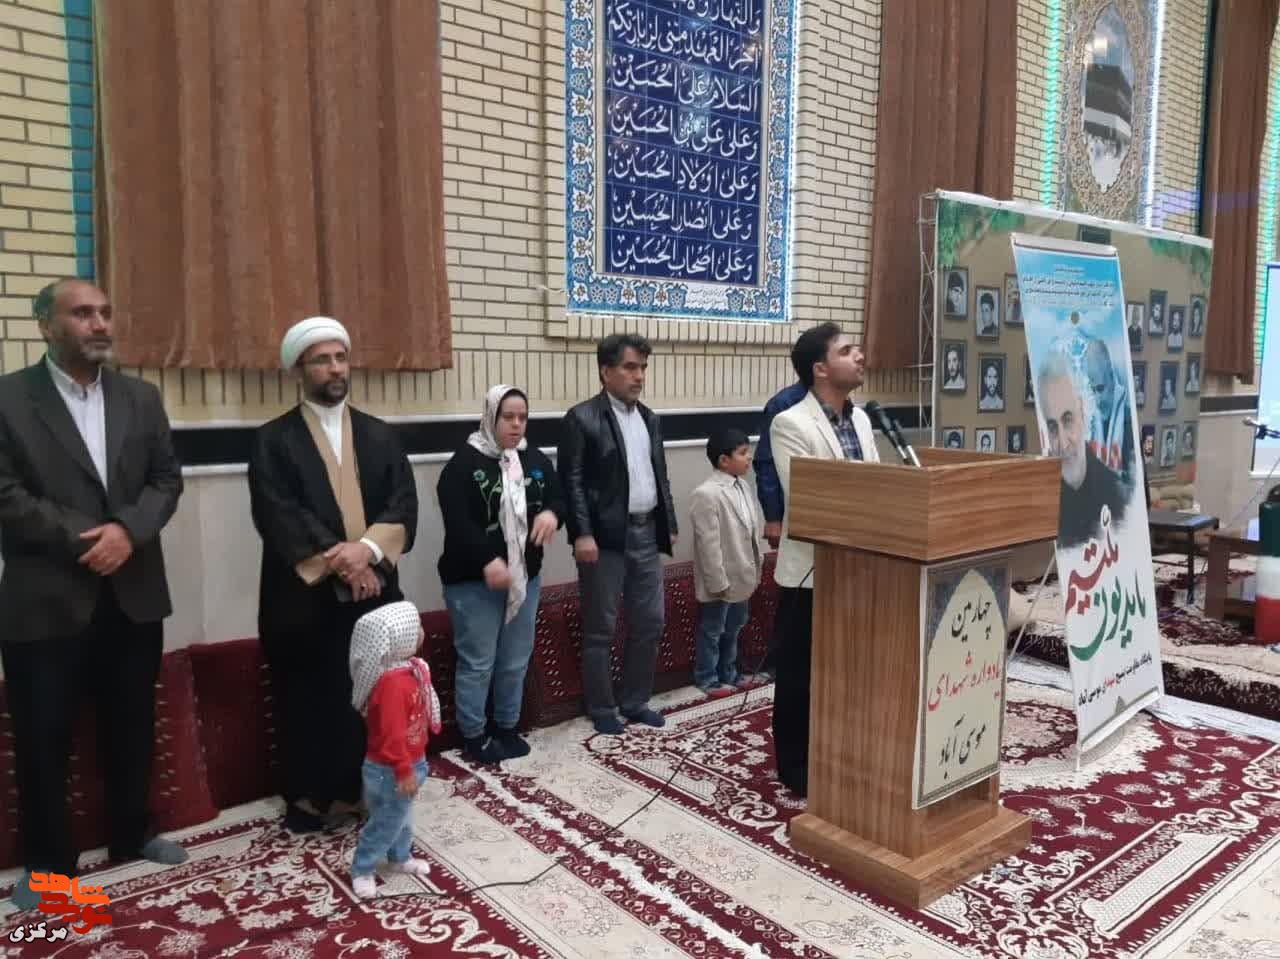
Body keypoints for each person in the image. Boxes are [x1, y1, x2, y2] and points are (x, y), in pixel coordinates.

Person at [0, 279, 187, 910]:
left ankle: (133, 833)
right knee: (43, 737)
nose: (100, 323)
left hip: (132, 593)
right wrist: (90, 539)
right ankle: (49, 866)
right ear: (46, 325)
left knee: (131, 724)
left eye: (105, 312)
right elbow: (6, 494)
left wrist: (127, 532)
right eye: (82, 314)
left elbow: (166, 481)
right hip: (47, 600)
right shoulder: (8, 399)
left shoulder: (141, 397)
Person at [248, 317, 419, 833]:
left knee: (365, 697)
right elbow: (278, 513)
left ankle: (357, 793)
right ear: (299, 369)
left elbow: (403, 502)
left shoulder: (380, 434)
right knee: (308, 697)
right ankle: (309, 799)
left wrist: (369, 551)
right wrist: (344, 562)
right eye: (322, 360)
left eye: (340, 358)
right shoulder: (273, 440)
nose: (335, 368)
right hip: (305, 599)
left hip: (373, 592)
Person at [769, 323, 878, 795]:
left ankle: (840, 749)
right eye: (846, 350)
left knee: (848, 668)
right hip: (810, 572)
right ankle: (796, 766)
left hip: (861, 568)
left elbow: (879, 486)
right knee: (800, 673)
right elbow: (808, 496)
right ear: (820, 368)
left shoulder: (863, 420)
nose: (860, 355)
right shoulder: (791, 423)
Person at [437, 385, 564, 762]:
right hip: (473, 582)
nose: (516, 424)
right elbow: (458, 522)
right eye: (508, 417)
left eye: (523, 417)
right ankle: (474, 735)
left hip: (525, 577)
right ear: (491, 417)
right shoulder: (464, 463)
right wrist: (486, 560)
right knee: (478, 662)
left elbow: (559, 497)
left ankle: (507, 727)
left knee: (515, 658)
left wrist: (552, 514)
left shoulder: (534, 459)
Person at [558, 333, 678, 734]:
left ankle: (635, 701)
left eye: (642, 367)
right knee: (601, 627)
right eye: (629, 367)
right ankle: (602, 707)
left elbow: (659, 475)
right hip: (605, 539)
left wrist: (668, 523)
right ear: (606, 371)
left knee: (651, 622)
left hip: (646, 534)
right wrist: (581, 533)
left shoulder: (650, 418)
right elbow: (572, 481)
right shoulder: (582, 418)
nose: (639, 376)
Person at [348, 601, 441, 899]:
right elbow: (391, 735)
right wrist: (403, 770)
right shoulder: (391, 685)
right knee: (386, 822)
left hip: (410, 762)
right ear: (398, 640)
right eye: (416, 627)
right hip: (390, 769)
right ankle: (362, 868)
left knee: (402, 817)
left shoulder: (408, 672)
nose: (422, 631)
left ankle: (399, 857)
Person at [690, 428, 765, 697]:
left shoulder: (743, 486)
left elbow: (751, 529)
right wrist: (717, 581)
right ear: (724, 460)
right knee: (713, 630)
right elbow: (708, 544)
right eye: (742, 453)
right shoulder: (706, 493)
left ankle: (729, 672)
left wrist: (757, 563)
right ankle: (707, 678)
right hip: (720, 579)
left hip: (743, 574)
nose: (749, 457)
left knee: (734, 628)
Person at [1038, 349, 1127, 549]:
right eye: (1052, 427)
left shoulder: (1117, 496)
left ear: (1082, 412)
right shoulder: (1043, 502)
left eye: (1067, 420)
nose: (1062, 443)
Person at [754, 379, 807, 551]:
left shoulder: (847, 406)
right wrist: (773, 517)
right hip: (797, 509)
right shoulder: (784, 403)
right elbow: (768, 462)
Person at [1083, 338, 1133, 485]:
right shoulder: (1092, 424)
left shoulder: (1129, 421)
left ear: (1111, 374)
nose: (1097, 400)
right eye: (1093, 390)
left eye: (1100, 388)